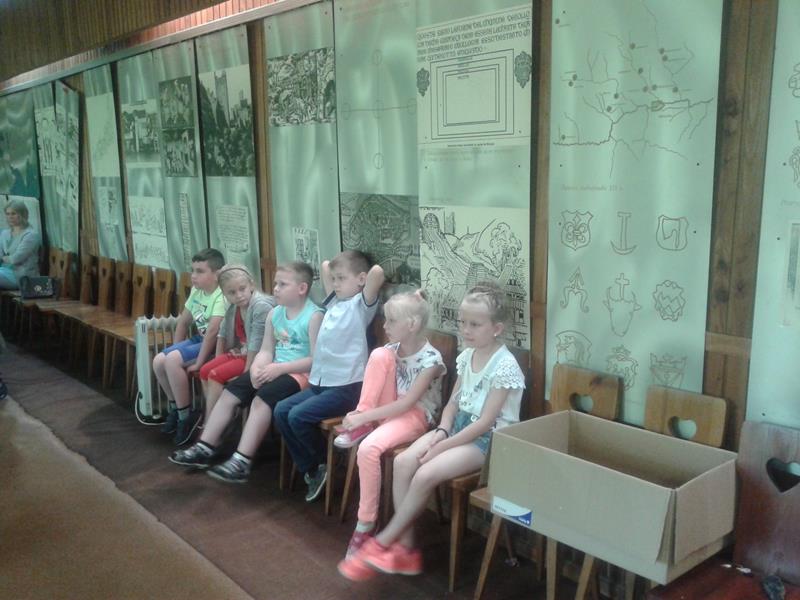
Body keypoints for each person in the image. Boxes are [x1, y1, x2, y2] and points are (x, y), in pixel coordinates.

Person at [338, 283, 525, 580]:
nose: (466, 330)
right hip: (458, 428)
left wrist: (442, 446)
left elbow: (485, 422)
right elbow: (453, 404)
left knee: (425, 473)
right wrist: (441, 432)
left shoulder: (505, 365)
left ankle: (383, 540)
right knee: (403, 463)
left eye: (475, 324)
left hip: (490, 441)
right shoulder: (467, 356)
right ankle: (406, 549)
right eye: (463, 322)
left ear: (497, 328)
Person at [169, 261, 323, 483]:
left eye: (282, 284)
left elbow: (315, 361)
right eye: (276, 283)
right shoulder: (275, 313)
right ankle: (204, 447)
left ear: (302, 288)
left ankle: (241, 461)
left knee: (261, 399)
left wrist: (278, 368)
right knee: (230, 392)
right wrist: (257, 368)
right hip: (272, 368)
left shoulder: (314, 316)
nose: (275, 289)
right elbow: (266, 349)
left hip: (299, 375)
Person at [334, 290, 446, 558]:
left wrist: (364, 417)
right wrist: (364, 414)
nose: (384, 326)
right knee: (378, 354)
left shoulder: (431, 360)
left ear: (412, 324)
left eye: (391, 321)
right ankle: (363, 423)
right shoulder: (390, 351)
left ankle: (365, 525)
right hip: (388, 410)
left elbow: (407, 405)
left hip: (415, 415)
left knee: (367, 448)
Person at [274, 250, 385, 502]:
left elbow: (377, 273)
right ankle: (315, 468)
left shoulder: (361, 306)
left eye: (341, 279)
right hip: (321, 382)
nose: (335, 284)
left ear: (361, 279)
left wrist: (359, 278)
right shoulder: (334, 301)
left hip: (347, 387)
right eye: (333, 279)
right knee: (281, 411)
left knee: (297, 416)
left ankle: (324, 463)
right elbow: (326, 265)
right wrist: (338, 275)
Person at [153, 248, 225, 445]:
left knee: (172, 360)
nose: (193, 276)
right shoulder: (196, 291)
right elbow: (183, 323)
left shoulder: (221, 295)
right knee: (159, 361)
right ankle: (177, 408)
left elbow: (213, 333)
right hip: (199, 340)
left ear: (217, 274)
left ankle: (187, 417)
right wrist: (176, 351)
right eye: (193, 270)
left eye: (200, 271)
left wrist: (198, 362)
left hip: (215, 345)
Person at [197, 264, 275, 422]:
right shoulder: (233, 307)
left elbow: (256, 343)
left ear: (251, 285)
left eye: (242, 289)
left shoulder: (260, 306)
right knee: (204, 371)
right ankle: (219, 415)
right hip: (243, 353)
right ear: (224, 294)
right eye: (232, 292)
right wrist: (219, 359)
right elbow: (222, 333)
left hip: (258, 358)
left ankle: (212, 422)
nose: (238, 295)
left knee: (215, 375)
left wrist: (245, 376)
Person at [0, 200, 41, 290]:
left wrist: (4, 258)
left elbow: (16, 259)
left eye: (13, 213)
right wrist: (5, 258)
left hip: (21, 276)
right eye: (7, 214)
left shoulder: (31, 235)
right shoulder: (4, 233)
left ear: (23, 214)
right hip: (4, 271)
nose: (10, 217)